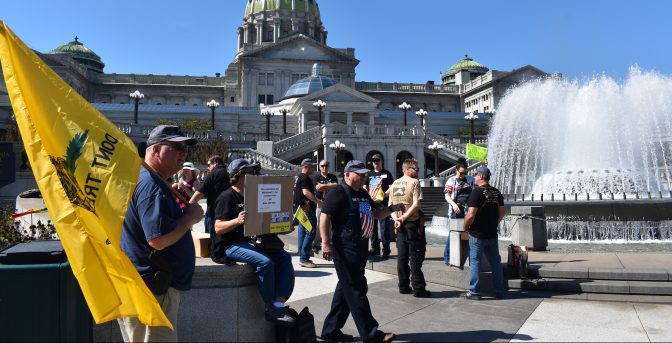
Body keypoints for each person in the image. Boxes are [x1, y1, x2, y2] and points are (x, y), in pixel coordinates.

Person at [118, 125, 204, 342]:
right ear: (155, 150)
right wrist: (189, 218)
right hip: (154, 291)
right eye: (177, 147)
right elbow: (157, 239)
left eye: (185, 149)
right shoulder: (151, 185)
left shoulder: (144, 178)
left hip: (147, 286)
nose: (183, 153)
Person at [320, 160, 401, 343]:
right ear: (348, 175)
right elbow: (325, 217)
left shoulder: (363, 193)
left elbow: (376, 213)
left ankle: (330, 332)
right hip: (345, 248)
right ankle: (371, 335)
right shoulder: (338, 193)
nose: (364, 176)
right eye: (360, 173)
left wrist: (391, 209)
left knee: (345, 289)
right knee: (357, 290)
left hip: (360, 247)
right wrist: (325, 243)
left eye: (365, 173)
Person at [210, 158, 295, 326]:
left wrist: (282, 222)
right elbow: (218, 227)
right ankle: (269, 306)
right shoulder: (226, 197)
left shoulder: (252, 195)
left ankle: (279, 303)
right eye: (251, 173)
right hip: (228, 245)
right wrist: (237, 221)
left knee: (284, 257)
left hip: (249, 240)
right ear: (240, 176)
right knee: (265, 262)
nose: (255, 175)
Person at [388, 158, 431, 298]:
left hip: (399, 225)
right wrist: (404, 218)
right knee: (415, 256)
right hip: (412, 224)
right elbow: (417, 205)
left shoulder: (394, 183)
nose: (418, 172)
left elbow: (390, 207)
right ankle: (418, 288)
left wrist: (397, 219)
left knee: (402, 256)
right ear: (407, 169)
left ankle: (403, 286)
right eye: (416, 169)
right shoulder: (414, 182)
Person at [462, 165, 505, 300]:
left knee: (475, 262)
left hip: (477, 234)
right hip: (492, 234)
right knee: (496, 263)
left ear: (480, 176)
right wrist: (494, 223)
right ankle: (499, 290)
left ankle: (474, 292)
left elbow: (470, 215)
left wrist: (465, 227)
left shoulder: (476, 192)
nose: (474, 177)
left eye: (476, 175)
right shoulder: (497, 192)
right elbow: (502, 212)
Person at [443, 157, 474, 265]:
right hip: (455, 211)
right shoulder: (451, 181)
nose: (463, 175)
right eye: (461, 173)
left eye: (465, 173)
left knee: (470, 233)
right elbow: (447, 196)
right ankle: (447, 257)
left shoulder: (470, 180)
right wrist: (453, 204)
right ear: (456, 170)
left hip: (468, 210)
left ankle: (469, 258)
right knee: (453, 233)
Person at [189, 155, 230, 234]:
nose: (208, 168)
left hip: (214, 213)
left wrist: (188, 206)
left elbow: (199, 193)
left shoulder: (212, 175)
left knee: (210, 240)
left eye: (209, 165)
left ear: (215, 163)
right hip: (229, 213)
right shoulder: (231, 174)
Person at [365, 154, 395, 259]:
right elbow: (365, 187)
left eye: (377, 160)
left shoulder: (386, 173)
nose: (375, 162)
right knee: (372, 228)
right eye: (373, 160)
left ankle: (386, 250)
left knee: (384, 228)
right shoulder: (369, 174)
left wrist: (382, 196)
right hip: (371, 204)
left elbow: (391, 188)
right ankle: (375, 248)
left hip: (383, 204)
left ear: (381, 161)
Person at [294, 158, 321, 268]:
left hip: (301, 208)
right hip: (306, 208)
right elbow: (305, 192)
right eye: (312, 166)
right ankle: (304, 258)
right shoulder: (305, 177)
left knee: (303, 232)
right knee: (311, 231)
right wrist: (317, 201)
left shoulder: (299, 177)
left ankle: (302, 256)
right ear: (306, 167)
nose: (314, 168)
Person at [312, 159, 338, 255]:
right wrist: (329, 186)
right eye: (322, 166)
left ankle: (328, 242)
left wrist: (324, 186)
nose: (325, 167)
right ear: (319, 167)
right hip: (321, 203)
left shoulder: (332, 176)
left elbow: (336, 186)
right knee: (319, 224)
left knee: (330, 224)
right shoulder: (316, 177)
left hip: (331, 204)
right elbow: (317, 188)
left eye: (326, 165)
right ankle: (316, 243)